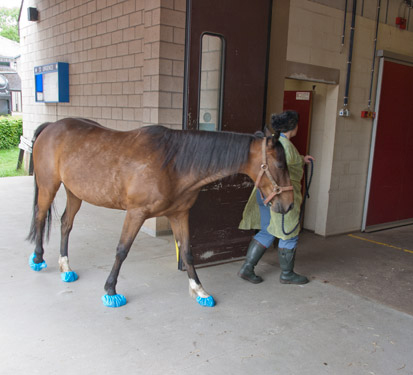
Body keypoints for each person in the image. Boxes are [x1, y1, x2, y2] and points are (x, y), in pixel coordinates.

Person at [238, 110, 314, 285]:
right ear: (293, 126)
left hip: (264, 193)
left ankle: (247, 268)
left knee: (267, 230)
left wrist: (302, 159)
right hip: (281, 195)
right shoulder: (285, 146)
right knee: (289, 233)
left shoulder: (272, 142)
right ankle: (287, 274)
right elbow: (284, 165)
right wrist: (299, 160)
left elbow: (284, 162)